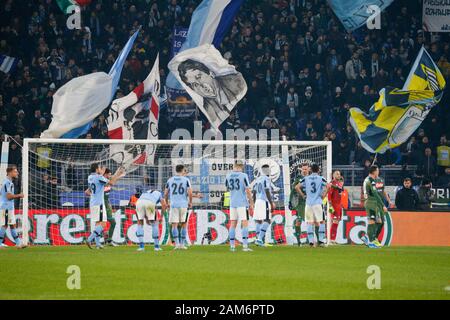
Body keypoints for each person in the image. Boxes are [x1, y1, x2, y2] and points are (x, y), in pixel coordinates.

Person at [178, 59, 246, 128]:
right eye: (194, 84)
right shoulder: (206, 111)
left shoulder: (237, 83)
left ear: (210, 73)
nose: (201, 85)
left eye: (199, 77)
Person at [85, 164, 124, 249]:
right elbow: (111, 183)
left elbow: (87, 191)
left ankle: (98, 244)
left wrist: (116, 174)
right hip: (99, 203)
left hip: (92, 203)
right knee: (103, 224)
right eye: (99, 168)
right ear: (96, 169)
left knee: (98, 223)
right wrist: (118, 175)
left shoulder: (90, 177)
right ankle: (89, 239)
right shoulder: (98, 177)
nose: (100, 169)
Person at [225, 160, 254, 252]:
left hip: (232, 203)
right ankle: (245, 246)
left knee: (233, 224)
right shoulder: (243, 175)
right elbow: (248, 190)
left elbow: (227, 187)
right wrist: (251, 203)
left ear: (234, 166)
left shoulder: (228, 175)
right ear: (242, 167)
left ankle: (232, 246)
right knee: (244, 223)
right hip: (242, 203)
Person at [298, 164, 328, 247]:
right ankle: (321, 241)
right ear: (318, 170)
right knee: (322, 221)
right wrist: (324, 195)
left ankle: (311, 242)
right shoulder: (321, 178)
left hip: (308, 203)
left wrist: (303, 195)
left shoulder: (306, 178)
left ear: (310, 170)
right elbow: (328, 186)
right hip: (318, 203)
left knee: (309, 222)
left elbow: (297, 187)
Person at [164, 164, 193, 250]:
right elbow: (190, 193)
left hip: (173, 205)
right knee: (184, 225)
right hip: (183, 204)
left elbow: (165, 193)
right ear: (183, 170)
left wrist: (166, 203)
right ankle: (182, 244)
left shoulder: (170, 180)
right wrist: (190, 202)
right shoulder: (186, 180)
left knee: (174, 225)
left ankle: (176, 244)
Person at [362, 166, 387, 249]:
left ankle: (368, 238)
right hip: (371, 202)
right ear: (374, 171)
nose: (378, 172)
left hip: (371, 202)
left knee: (379, 221)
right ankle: (371, 241)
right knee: (372, 221)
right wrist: (383, 205)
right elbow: (375, 193)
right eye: (378, 171)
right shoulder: (371, 180)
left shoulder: (367, 179)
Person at [0, 166, 25, 249]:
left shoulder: (9, 182)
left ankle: (18, 243)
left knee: (12, 225)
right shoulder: (7, 182)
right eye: (15, 171)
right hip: (6, 206)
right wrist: (19, 195)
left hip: (9, 207)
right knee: (5, 225)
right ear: (10, 173)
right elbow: (8, 196)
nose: (17, 173)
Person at [253, 164, 275, 247]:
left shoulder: (258, 179)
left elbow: (254, 193)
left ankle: (258, 239)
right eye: (269, 169)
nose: (269, 171)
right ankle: (259, 239)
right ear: (267, 170)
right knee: (267, 220)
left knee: (258, 220)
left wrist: (254, 204)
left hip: (258, 201)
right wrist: (271, 202)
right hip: (264, 201)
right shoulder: (266, 179)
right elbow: (267, 190)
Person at [291, 163, 310, 245]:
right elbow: (293, 189)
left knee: (310, 221)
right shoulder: (298, 179)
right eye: (303, 169)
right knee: (298, 221)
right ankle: (298, 241)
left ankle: (309, 240)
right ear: (301, 170)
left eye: (306, 169)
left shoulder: (311, 178)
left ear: (309, 169)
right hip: (300, 203)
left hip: (310, 202)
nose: (304, 170)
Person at [327, 170, 344, 244]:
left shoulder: (339, 184)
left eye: (339, 174)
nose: (338, 175)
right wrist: (330, 206)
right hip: (333, 205)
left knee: (336, 222)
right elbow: (329, 195)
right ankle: (331, 239)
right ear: (333, 175)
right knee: (334, 221)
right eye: (337, 174)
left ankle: (333, 239)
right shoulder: (332, 183)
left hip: (339, 205)